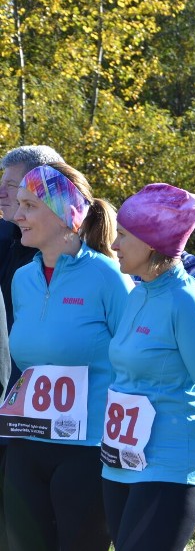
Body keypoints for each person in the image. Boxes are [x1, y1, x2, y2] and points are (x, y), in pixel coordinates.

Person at [0, 163, 133, 551]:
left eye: (29, 205)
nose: (17, 214)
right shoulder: (23, 279)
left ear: (63, 214)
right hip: (27, 441)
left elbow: (135, 358)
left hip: (88, 448)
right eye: (18, 203)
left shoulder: (108, 276)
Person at [101, 183, 195, 551]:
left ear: (149, 243)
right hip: (121, 462)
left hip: (173, 465)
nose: (114, 245)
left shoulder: (188, 300)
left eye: (123, 236)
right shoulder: (138, 292)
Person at [0, 145, 64, 551]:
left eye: (14, 187)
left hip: (52, 422)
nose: (3, 195)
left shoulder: (77, 260)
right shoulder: (5, 240)